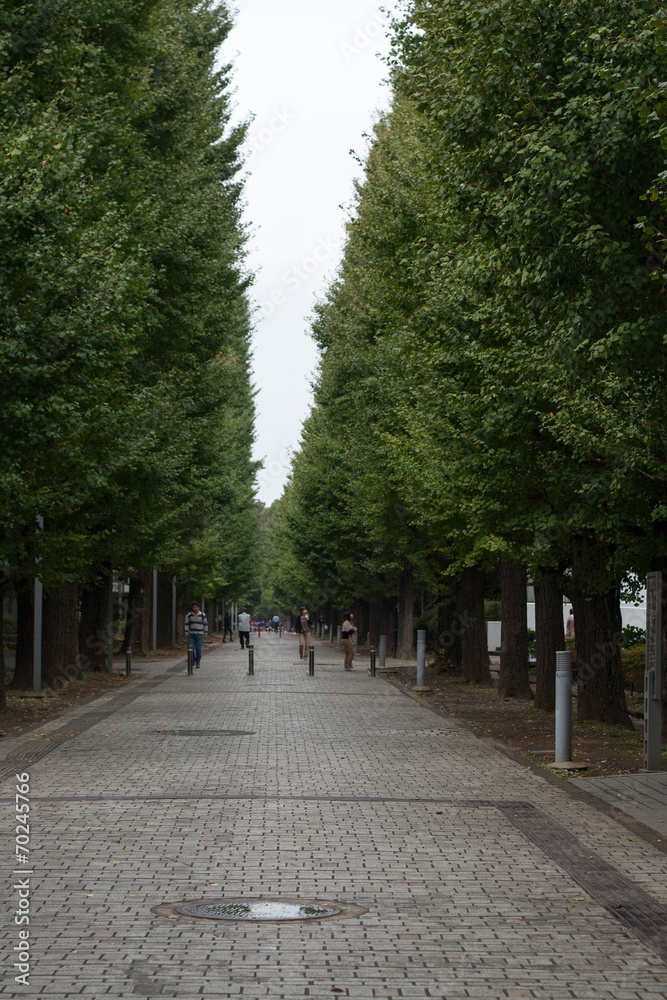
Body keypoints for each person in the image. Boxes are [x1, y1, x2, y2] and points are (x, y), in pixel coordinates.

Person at [184, 602, 208, 668]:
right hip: (191, 634)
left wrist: (205, 633)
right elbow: (187, 624)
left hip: (199, 634)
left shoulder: (202, 615)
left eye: (196, 607)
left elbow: (205, 624)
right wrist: (186, 632)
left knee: (198, 649)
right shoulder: (189, 615)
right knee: (190, 648)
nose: (194, 608)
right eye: (193, 607)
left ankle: (198, 662)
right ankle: (193, 659)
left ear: (198, 608)